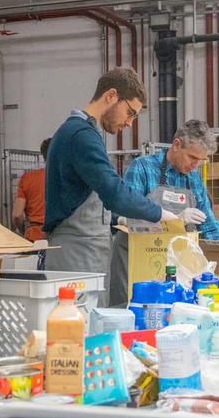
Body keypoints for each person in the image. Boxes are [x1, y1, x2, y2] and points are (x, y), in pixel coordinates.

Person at [43, 67, 177, 306]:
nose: (129, 123)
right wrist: (159, 213)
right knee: (78, 330)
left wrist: (117, 219)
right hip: (76, 255)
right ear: (111, 96)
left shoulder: (85, 133)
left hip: (87, 252)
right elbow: (114, 191)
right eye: (130, 113)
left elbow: (90, 194)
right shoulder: (80, 135)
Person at [109, 119, 219, 307]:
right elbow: (121, 213)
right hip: (136, 260)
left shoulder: (194, 180)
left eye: (201, 161)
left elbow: (209, 223)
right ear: (177, 145)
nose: (196, 165)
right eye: (192, 158)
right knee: (132, 312)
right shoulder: (143, 168)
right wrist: (174, 218)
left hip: (173, 263)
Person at [12, 138, 51, 241]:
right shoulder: (66, 179)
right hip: (59, 237)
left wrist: (24, 231)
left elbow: (17, 215)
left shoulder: (28, 178)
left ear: (43, 155)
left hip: (34, 236)